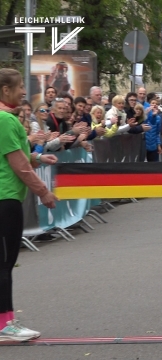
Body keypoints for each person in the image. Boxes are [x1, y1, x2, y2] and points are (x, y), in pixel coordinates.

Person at [0, 68, 58, 342]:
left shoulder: (7, 119)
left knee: (5, 263)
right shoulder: (5, 120)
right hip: (5, 199)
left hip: (7, 197)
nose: (24, 91)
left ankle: (6, 322)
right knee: (4, 263)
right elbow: (19, 166)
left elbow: (19, 158)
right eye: (20, 86)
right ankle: (4, 325)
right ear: (5, 90)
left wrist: (39, 159)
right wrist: (44, 191)